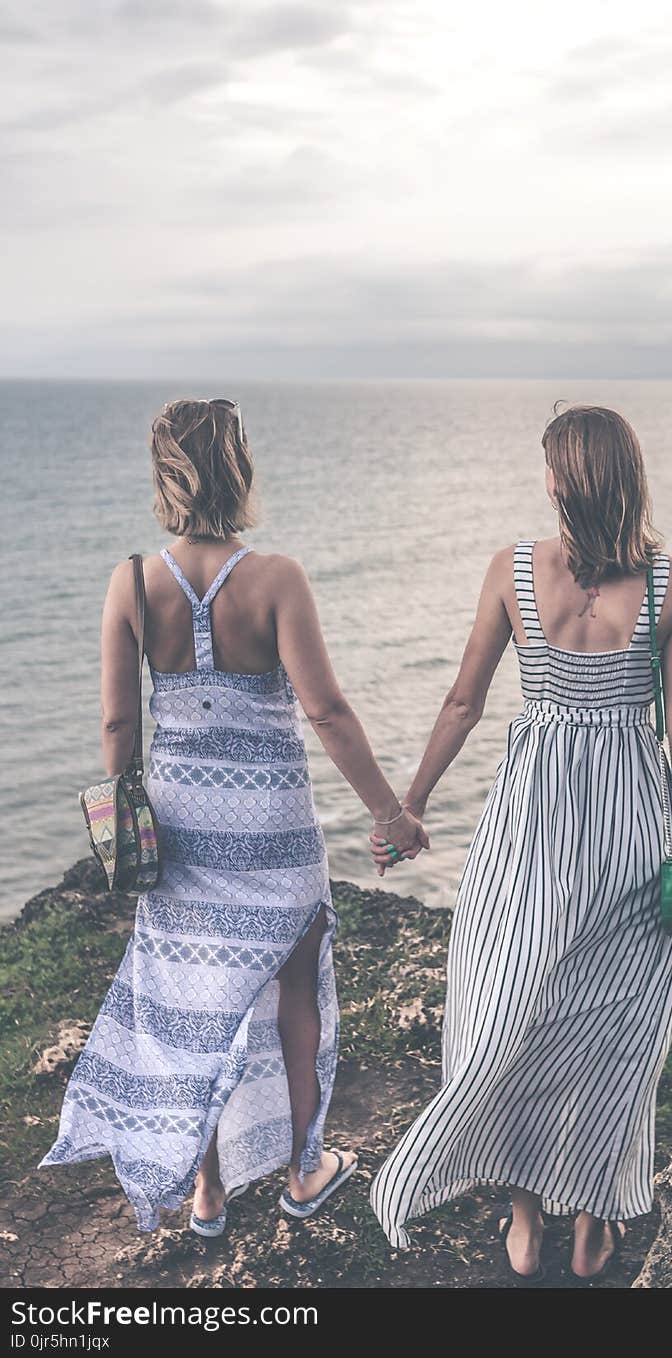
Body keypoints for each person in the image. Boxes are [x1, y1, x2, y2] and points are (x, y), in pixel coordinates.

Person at [40, 397, 426, 1235]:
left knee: (195, 1008)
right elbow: (326, 711)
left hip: (178, 824)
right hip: (274, 829)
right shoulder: (276, 578)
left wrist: (126, 814)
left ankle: (207, 1195)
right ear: (237, 466)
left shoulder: (133, 583)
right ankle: (302, 1169)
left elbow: (118, 727)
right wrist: (390, 813)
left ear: (163, 472)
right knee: (296, 991)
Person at [370, 404, 672, 1283]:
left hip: (534, 825)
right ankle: (591, 1227)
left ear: (562, 481)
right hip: (636, 823)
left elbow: (463, 702)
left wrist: (409, 807)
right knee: (617, 1027)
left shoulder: (515, 571)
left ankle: (524, 1222)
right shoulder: (668, 584)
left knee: (505, 1001)